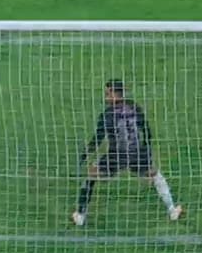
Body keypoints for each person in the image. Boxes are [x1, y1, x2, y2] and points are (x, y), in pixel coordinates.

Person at [72, 80, 184, 226]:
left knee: (91, 176)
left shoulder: (107, 114)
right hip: (137, 153)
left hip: (116, 155)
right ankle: (172, 210)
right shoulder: (135, 107)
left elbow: (98, 139)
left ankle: (80, 215)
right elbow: (147, 131)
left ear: (114, 94)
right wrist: (146, 151)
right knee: (155, 175)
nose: (106, 97)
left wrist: (85, 155)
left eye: (107, 94)